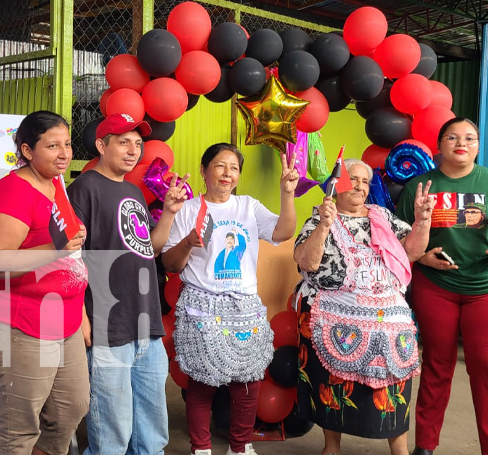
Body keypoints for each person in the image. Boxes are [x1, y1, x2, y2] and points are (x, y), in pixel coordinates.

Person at [161, 143, 299, 455]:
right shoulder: (186, 210)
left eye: (234, 168)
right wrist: (188, 243)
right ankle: (201, 447)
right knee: (202, 382)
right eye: (220, 166)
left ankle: (240, 445)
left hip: (244, 308)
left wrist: (287, 192)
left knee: (248, 384)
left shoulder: (248, 207)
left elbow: (283, 232)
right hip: (202, 305)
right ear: (203, 170)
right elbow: (170, 264)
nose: (227, 173)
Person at [67, 112, 189, 455]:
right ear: (101, 145)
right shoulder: (84, 188)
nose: (133, 150)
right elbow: (67, 258)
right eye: (123, 142)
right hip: (107, 324)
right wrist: (80, 315)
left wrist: (169, 213)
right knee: (112, 430)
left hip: (145, 322)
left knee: (152, 429)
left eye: (138, 143)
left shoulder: (133, 190)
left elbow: (147, 248)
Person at [294, 158, 434, 455]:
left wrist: (423, 221)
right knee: (332, 378)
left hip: (388, 311)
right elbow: (307, 262)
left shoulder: (382, 216)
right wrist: (324, 225)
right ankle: (331, 446)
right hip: (335, 307)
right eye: (352, 179)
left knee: (395, 375)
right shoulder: (320, 217)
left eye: (364, 181)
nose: (359, 186)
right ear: (337, 185)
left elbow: (412, 252)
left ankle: (400, 450)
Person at [0, 110, 89, 455]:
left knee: (71, 409)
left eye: (67, 144)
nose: (64, 153)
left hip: (63, 320)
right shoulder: (12, 192)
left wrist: (79, 313)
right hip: (17, 323)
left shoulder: (56, 185)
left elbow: (71, 256)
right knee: (18, 431)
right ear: (26, 150)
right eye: (52, 146)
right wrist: (54, 247)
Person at [396, 117, 488, 455]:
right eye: (452, 137)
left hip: (483, 288)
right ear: (439, 145)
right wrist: (422, 258)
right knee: (437, 363)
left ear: (478, 146)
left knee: (484, 367)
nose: (461, 143)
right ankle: (426, 447)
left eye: (469, 138)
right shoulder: (420, 186)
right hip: (436, 286)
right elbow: (399, 239)